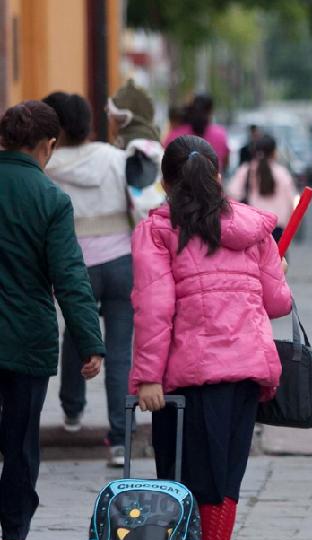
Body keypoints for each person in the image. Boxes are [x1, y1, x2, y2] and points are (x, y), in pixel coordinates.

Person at [129, 135, 292, 540]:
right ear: (219, 177)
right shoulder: (252, 228)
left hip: (186, 384)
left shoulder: (158, 231)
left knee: (180, 485)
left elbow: (155, 311)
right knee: (223, 487)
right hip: (243, 376)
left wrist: (148, 378)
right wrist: (279, 271)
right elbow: (277, 303)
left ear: (165, 182)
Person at [0, 100, 104, 540]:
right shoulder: (50, 199)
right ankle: (13, 538)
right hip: (27, 339)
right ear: (49, 146)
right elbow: (69, 276)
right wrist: (90, 341)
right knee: (20, 440)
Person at [42, 91, 134, 468]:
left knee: (75, 333)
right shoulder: (116, 158)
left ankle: (73, 412)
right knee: (120, 351)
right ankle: (119, 440)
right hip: (121, 262)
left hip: (74, 267)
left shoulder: (46, 165)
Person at [106, 78, 166, 223]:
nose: (109, 119)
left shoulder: (138, 150)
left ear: (122, 118)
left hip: (140, 239)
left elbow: (146, 206)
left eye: (110, 114)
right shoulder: (145, 144)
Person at [226, 134, 297, 242]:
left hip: (253, 228)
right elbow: (292, 201)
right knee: (278, 258)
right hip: (278, 228)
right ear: (274, 152)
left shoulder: (246, 170)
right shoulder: (282, 173)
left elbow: (232, 193)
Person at [163, 94, 230, 171]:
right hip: (212, 182)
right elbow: (225, 163)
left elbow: (163, 160)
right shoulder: (220, 135)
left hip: (179, 182)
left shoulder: (175, 134)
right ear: (211, 111)